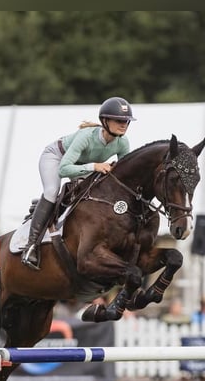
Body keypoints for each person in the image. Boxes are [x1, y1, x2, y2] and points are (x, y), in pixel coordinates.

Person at [21, 97, 137, 269]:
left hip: (84, 165)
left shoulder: (122, 143)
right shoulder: (86, 137)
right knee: (52, 191)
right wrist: (96, 166)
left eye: (126, 121)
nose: (124, 125)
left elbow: (126, 174)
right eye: (119, 120)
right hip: (57, 157)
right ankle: (31, 246)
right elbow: (64, 169)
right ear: (105, 121)